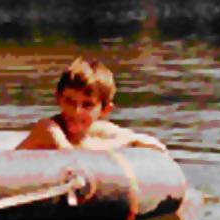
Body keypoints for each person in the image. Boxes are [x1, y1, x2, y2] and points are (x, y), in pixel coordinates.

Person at [16, 57, 168, 151]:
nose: (76, 111)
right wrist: (127, 142)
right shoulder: (48, 129)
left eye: (87, 105)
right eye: (69, 101)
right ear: (58, 99)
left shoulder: (99, 131)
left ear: (105, 110)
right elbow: (74, 157)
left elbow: (133, 136)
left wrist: (135, 140)